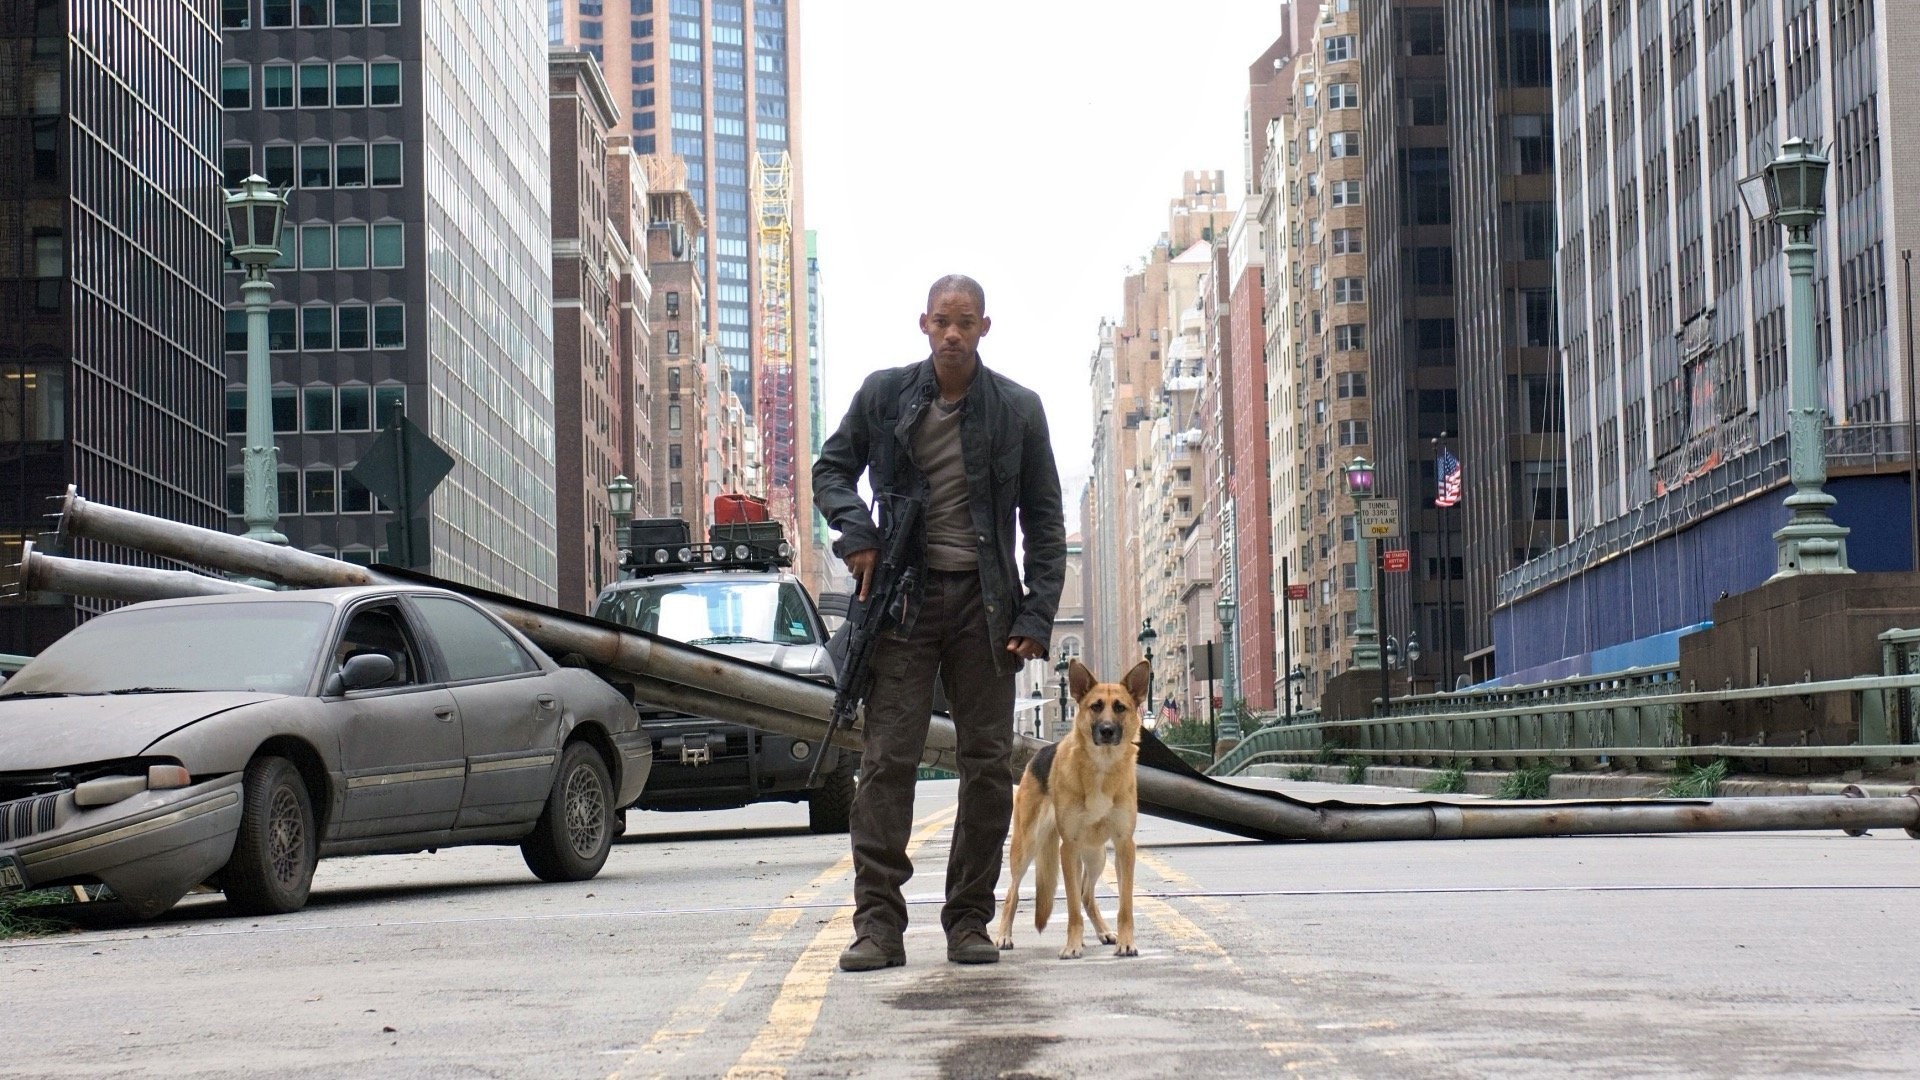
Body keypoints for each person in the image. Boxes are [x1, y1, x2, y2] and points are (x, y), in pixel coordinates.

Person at [812, 274, 1066, 971]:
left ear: (985, 328)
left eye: (966, 322)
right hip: (903, 602)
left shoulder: (1018, 410)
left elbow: (1045, 523)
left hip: (987, 608)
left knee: (986, 765)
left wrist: (1036, 613)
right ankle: (878, 926)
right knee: (886, 761)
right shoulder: (884, 395)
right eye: (942, 321)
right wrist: (857, 530)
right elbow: (831, 470)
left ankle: (968, 920)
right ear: (923, 324)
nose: (953, 333)